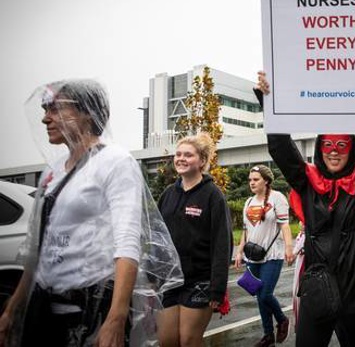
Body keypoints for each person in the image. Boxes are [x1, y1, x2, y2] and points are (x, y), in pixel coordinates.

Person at [0, 80, 182, 347]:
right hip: (45, 307)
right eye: (44, 109)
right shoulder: (53, 170)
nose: (45, 118)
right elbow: (38, 248)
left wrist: (116, 317)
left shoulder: (115, 162)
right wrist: (14, 306)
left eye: (54, 109)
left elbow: (127, 240)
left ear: (86, 112)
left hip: (92, 306)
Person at [254, 71, 355, 347]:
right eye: (328, 144)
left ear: (351, 149)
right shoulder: (307, 181)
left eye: (342, 145)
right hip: (319, 287)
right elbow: (281, 148)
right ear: (320, 148)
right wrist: (269, 103)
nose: (334, 151)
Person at [157, 133, 232, 347]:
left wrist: (218, 288)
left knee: (189, 340)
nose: (181, 158)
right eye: (178, 154)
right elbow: (157, 237)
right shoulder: (168, 194)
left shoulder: (213, 195)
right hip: (170, 280)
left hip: (199, 281)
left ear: (201, 161)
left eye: (188, 155)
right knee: (167, 341)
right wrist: (153, 277)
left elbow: (222, 245)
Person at [234, 165, 294, 347]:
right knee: (258, 296)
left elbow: (284, 225)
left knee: (265, 294)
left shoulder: (278, 198)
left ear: (266, 181)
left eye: (256, 179)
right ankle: (268, 335)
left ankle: (282, 320)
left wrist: (289, 248)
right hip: (252, 257)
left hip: (272, 255)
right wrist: (239, 251)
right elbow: (245, 230)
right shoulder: (249, 201)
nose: (251, 182)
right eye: (250, 180)